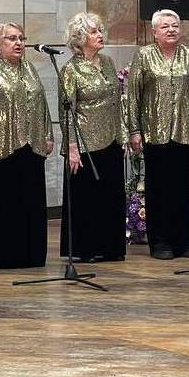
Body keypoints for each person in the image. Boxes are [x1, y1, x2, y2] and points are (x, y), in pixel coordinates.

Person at [0, 22, 54, 269]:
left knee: (31, 203)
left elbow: (42, 103)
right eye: (11, 39)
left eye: (21, 38)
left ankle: (32, 255)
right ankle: (2, 256)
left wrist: (48, 134)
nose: (18, 43)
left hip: (31, 147)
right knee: (3, 203)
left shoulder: (31, 69)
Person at [127, 9, 189, 260]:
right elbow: (133, 96)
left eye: (175, 25)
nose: (171, 30)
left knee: (184, 189)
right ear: (154, 32)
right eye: (165, 27)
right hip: (155, 133)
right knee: (159, 189)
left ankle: (185, 241)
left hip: (184, 132)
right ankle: (161, 242)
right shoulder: (143, 56)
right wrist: (134, 130)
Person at [59, 13, 127, 263]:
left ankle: (111, 247)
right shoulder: (70, 70)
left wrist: (123, 133)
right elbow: (66, 111)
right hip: (86, 142)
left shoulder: (107, 62)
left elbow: (116, 100)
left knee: (111, 195)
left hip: (111, 139)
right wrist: (72, 147)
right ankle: (85, 248)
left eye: (100, 30)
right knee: (87, 198)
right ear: (79, 39)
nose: (100, 35)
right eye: (93, 32)